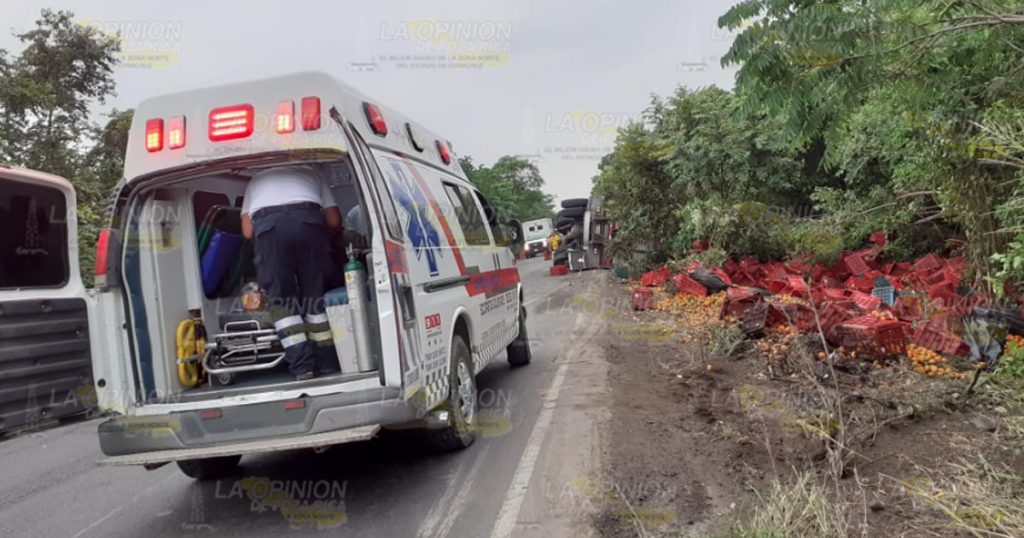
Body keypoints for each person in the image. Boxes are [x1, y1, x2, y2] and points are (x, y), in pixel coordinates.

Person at [241, 165, 342, 380]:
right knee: (315, 296)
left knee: (281, 301)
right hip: (309, 223)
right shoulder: (314, 172)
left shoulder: (256, 178)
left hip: (269, 229)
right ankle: (327, 363)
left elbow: (248, 231)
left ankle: (303, 368)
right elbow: (334, 220)